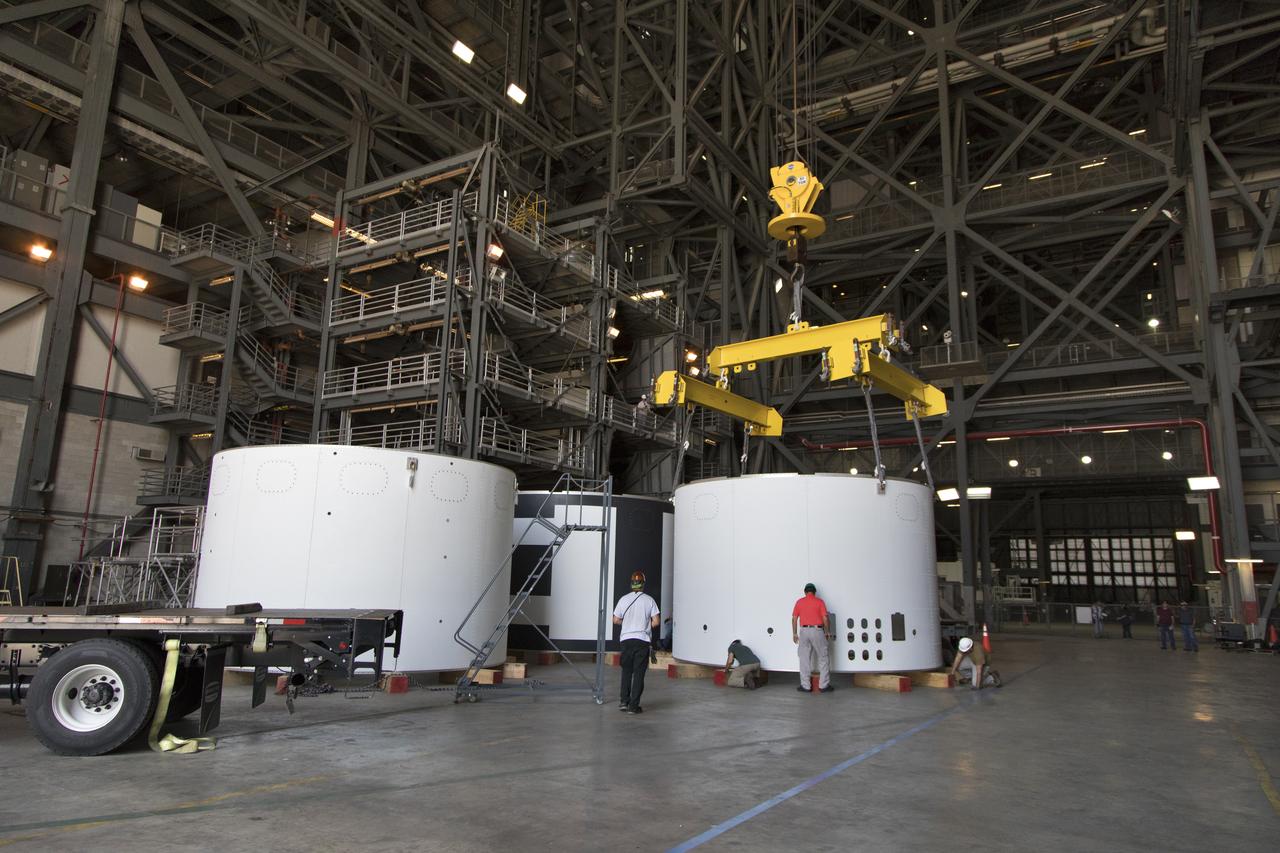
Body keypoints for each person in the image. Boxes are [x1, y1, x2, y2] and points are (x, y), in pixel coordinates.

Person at [612, 570, 660, 714]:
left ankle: (623, 702)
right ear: (643, 584)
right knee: (639, 673)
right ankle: (633, 706)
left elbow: (615, 619)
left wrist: (627, 624)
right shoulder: (649, 600)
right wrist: (645, 626)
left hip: (626, 640)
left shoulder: (623, 599)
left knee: (626, 671)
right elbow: (656, 622)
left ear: (632, 584)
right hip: (642, 641)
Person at [791, 582, 834, 693]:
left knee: (804, 659)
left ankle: (805, 686)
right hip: (817, 630)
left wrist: (795, 633)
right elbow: (825, 618)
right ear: (814, 592)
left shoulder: (799, 602)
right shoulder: (820, 602)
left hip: (804, 631)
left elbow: (794, 619)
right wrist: (828, 631)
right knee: (823, 657)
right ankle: (823, 686)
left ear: (805, 592)